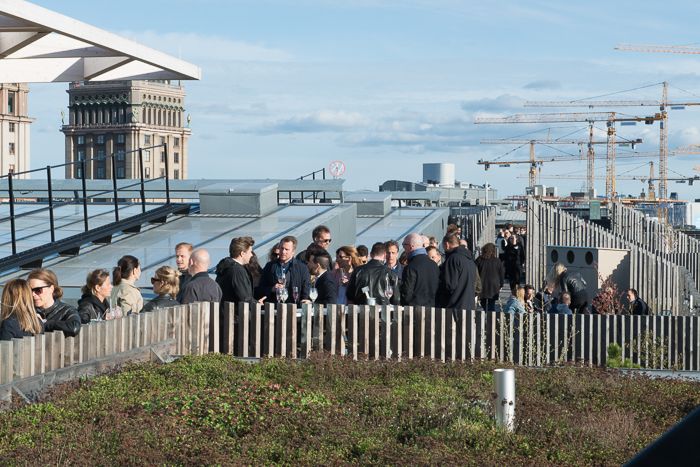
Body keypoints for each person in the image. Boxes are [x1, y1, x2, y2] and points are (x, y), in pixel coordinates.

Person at [257, 236, 311, 305]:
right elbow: (260, 289)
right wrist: (272, 289)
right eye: (281, 248)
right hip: (274, 309)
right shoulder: (270, 266)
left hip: (294, 308)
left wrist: (305, 301)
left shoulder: (302, 268)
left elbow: (306, 288)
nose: (283, 251)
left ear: (293, 251)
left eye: (286, 249)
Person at [28, 268, 81, 337]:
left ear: (51, 289)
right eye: (29, 290)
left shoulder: (66, 310)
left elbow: (74, 328)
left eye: (38, 290)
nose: (33, 294)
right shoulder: (27, 311)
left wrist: (44, 323)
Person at [215, 236, 264, 307]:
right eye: (250, 252)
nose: (252, 255)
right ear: (242, 253)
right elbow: (244, 298)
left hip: (226, 313)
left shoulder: (226, 266)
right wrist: (257, 304)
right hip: (236, 315)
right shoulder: (237, 271)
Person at [437, 233, 479, 315]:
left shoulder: (453, 259)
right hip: (469, 305)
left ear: (447, 244)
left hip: (455, 307)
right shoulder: (470, 260)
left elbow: (450, 285)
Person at [400, 233, 439, 307]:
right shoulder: (434, 265)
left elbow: (406, 294)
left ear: (411, 246)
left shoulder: (410, 267)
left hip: (415, 313)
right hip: (433, 311)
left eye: (404, 244)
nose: (403, 248)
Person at [475, 243, 504, 312]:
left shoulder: (479, 260)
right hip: (493, 285)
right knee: (491, 303)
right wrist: (501, 284)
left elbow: (475, 272)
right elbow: (501, 273)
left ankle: (486, 313)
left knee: (483, 302)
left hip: (482, 284)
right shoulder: (497, 261)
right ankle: (490, 317)